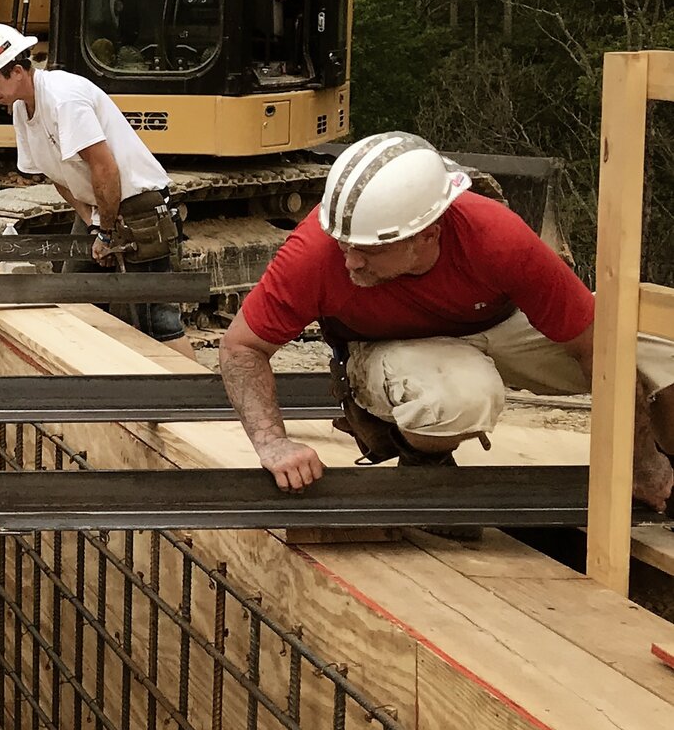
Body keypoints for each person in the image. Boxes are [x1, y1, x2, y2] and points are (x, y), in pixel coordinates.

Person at [217, 131, 674, 507]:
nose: (351, 262)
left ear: (428, 234)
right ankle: (423, 461)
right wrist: (273, 443)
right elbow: (242, 347)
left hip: (498, 325)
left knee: (659, 358)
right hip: (387, 347)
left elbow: (597, 345)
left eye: (369, 251)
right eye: (344, 245)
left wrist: (636, 461)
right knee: (456, 398)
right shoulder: (315, 255)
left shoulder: (496, 238)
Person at [0, 23, 192, 352]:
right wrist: (92, 223)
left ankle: (191, 395)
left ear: (16, 71)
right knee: (74, 298)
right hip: (101, 208)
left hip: (139, 207)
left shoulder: (63, 99)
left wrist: (107, 233)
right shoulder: (21, 110)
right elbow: (58, 176)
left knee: (157, 320)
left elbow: (105, 168)